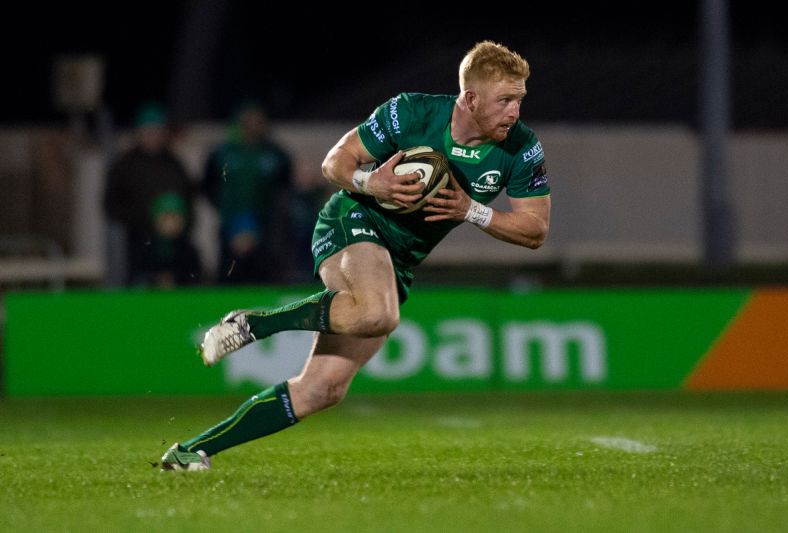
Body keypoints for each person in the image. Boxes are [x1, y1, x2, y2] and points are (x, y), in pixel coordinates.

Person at [160, 41, 551, 471]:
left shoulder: (521, 146)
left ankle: (190, 451)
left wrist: (471, 211)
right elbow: (335, 162)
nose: (515, 112)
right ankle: (255, 324)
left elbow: (535, 230)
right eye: (506, 100)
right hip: (353, 218)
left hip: (398, 260)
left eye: (519, 100)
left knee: (322, 389)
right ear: (471, 98)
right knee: (378, 315)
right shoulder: (411, 113)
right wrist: (371, 183)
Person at [202, 101, 295, 284]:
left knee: (265, 271)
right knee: (229, 271)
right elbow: (209, 185)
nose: (253, 126)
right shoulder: (222, 153)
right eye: (248, 121)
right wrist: (224, 209)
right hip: (230, 226)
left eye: (258, 121)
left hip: (266, 227)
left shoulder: (275, 154)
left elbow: (285, 187)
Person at [104, 103, 197, 285]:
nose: (153, 137)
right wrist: (144, 220)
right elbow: (111, 204)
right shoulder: (125, 165)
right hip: (139, 239)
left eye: (157, 131)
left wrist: (180, 225)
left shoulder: (174, 164)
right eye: (148, 131)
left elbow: (189, 199)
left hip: (174, 242)